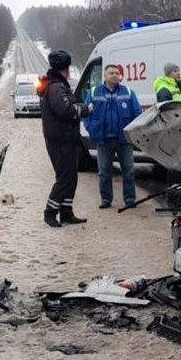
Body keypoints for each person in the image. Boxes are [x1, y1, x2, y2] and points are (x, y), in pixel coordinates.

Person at [37, 50, 92, 227]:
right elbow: (66, 110)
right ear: (65, 69)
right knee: (65, 178)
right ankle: (50, 212)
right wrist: (85, 110)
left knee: (71, 177)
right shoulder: (56, 87)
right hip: (59, 141)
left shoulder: (56, 85)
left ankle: (66, 212)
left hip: (65, 139)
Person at [83, 64, 142, 210]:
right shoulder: (94, 92)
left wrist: (132, 133)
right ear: (105, 75)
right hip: (103, 140)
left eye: (117, 73)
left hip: (123, 140)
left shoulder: (128, 92)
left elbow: (137, 114)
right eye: (111, 73)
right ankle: (106, 199)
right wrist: (92, 130)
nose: (115, 75)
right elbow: (86, 115)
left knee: (128, 170)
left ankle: (129, 199)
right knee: (104, 171)